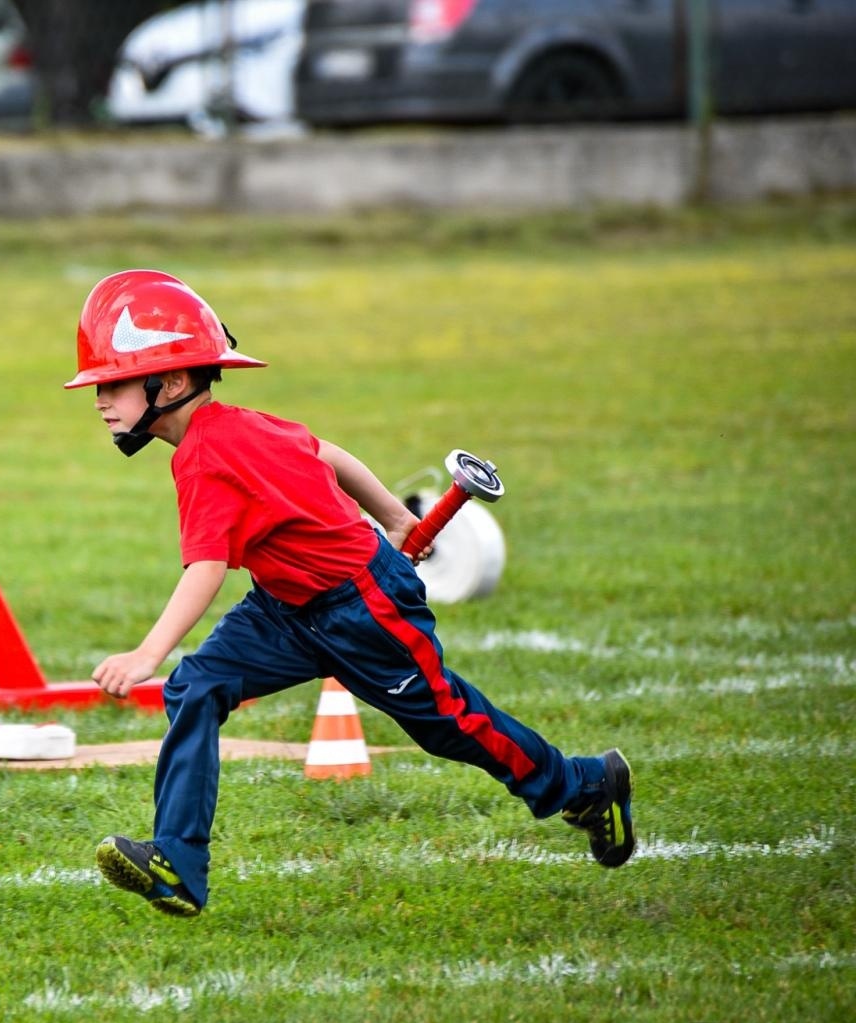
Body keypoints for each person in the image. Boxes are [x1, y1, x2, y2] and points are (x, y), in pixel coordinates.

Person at [67, 269, 635, 919]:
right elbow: (328, 453)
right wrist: (394, 516)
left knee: (449, 724)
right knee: (197, 686)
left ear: (167, 383)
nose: (99, 400)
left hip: (363, 607)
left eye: (110, 383)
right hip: (285, 607)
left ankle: (587, 785)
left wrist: (146, 653)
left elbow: (206, 567)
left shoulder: (202, 455)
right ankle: (178, 864)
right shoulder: (239, 425)